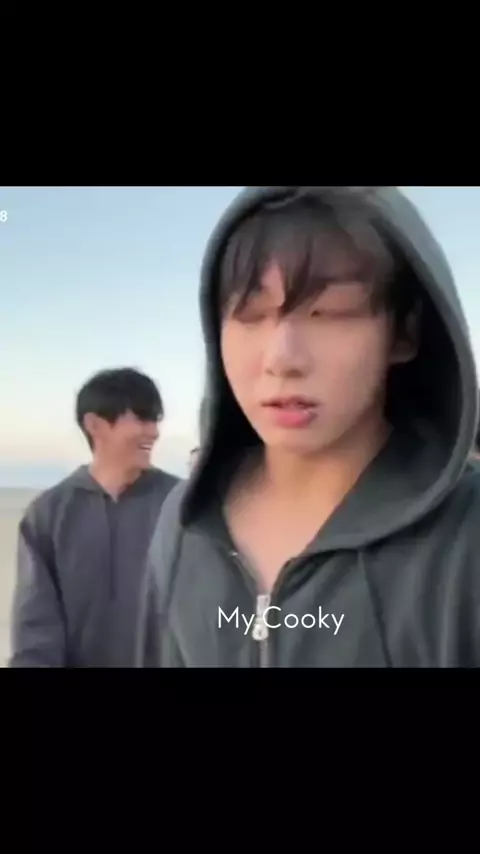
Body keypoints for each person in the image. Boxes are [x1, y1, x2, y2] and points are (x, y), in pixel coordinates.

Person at [136, 186, 480, 668]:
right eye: (250, 315)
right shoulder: (185, 524)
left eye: (329, 313)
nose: (282, 359)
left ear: (404, 332)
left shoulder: (465, 538)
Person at [9, 367, 179, 667]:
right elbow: (35, 625)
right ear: (95, 425)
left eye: (155, 419)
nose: (153, 432)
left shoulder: (182, 504)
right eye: (142, 418)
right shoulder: (48, 513)